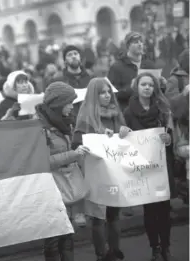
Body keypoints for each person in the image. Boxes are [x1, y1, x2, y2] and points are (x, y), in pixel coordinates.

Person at [72, 78, 131, 261]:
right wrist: (98, 137)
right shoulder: (85, 118)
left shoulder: (116, 115)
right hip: (95, 173)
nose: (106, 96)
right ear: (93, 95)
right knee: (98, 217)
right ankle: (101, 254)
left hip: (114, 173)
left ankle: (115, 250)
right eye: (102, 93)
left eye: (108, 92)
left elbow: (127, 142)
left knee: (114, 214)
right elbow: (77, 143)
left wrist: (125, 132)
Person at [122, 72, 176, 261]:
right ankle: (155, 247)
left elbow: (171, 135)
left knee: (164, 210)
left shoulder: (163, 109)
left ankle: (166, 247)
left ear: (155, 88)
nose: (147, 87)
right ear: (136, 87)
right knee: (149, 211)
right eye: (143, 84)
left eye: (150, 85)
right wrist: (123, 133)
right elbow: (125, 140)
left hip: (161, 166)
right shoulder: (128, 112)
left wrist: (168, 139)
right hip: (142, 169)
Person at [33, 81, 87, 261]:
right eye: (69, 102)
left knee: (68, 234)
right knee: (54, 238)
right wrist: (73, 155)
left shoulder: (64, 123)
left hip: (63, 185)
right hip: (50, 189)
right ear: (58, 104)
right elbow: (42, 162)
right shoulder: (40, 127)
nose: (72, 106)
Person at [108, 32, 155, 111]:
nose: (140, 44)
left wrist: (162, 85)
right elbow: (111, 93)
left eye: (141, 42)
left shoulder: (149, 64)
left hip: (149, 112)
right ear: (128, 46)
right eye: (136, 42)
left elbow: (157, 92)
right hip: (128, 113)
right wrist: (130, 89)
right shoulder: (117, 67)